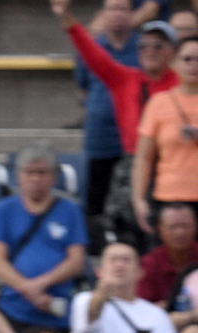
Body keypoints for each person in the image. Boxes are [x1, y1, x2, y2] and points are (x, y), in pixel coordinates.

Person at [56, 0, 174, 244]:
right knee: (127, 230)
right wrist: (66, 16)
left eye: (158, 45)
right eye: (144, 45)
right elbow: (90, 51)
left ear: (170, 52)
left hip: (172, 166)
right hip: (134, 165)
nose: (150, 50)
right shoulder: (125, 79)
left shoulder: (182, 84)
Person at [0, 142, 88, 333]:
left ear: (53, 176)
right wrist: (29, 290)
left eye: (42, 173)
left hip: (55, 308)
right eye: (29, 172)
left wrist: (40, 284)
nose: (35, 179)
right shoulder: (3, 210)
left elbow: (76, 261)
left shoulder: (70, 210)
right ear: (18, 176)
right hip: (13, 307)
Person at [72, 0, 143, 231]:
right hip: (100, 136)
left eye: (123, 8)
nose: (118, 14)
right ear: (103, 13)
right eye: (113, 8)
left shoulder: (145, 48)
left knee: (134, 201)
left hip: (136, 140)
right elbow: (82, 85)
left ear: (132, 14)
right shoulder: (91, 49)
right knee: (96, 202)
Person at [134, 32, 198, 233]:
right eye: (187, 59)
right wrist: (138, 199)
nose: (193, 64)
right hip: (168, 198)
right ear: (174, 63)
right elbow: (144, 158)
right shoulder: (159, 103)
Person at [140, 202, 198, 319]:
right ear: (160, 229)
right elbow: (140, 308)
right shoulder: (149, 263)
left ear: (195, 226)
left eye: (185, 226)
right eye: (173, 227)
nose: (179, 232)